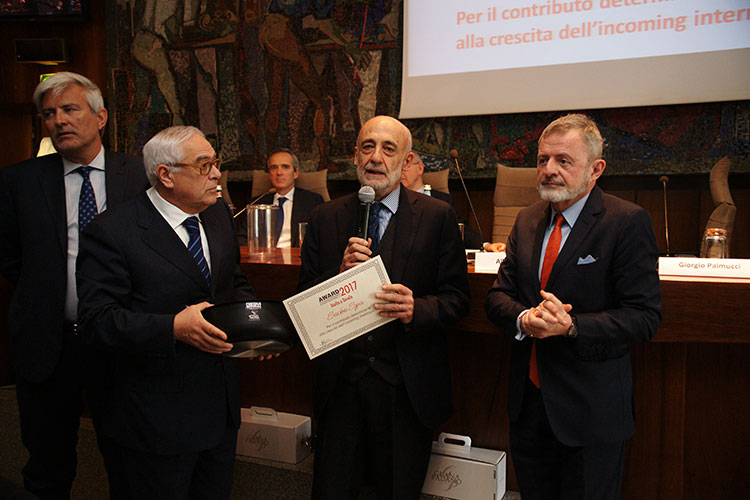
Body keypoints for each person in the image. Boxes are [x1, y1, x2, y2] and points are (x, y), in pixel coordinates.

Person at [484, 114, 661, 500]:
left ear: (596, 169)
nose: (549, 170)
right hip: (529, 408)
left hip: (590, 414)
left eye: (563, 161)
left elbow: (645, 318)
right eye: (543, 159)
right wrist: (523, 318)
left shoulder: (626, 222)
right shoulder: (528, 219)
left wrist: (573, 326)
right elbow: (498, 297)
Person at [76, 126, 259, 498]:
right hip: (154, 416)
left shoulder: (218, 215)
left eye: (215, 162)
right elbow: (97, 321)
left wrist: (257, 325)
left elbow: (231, 283)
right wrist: (172, 328)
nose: (215, 174)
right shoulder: (112, 231)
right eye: (203, 164)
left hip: (218, 409)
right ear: (166, 175)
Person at [299, 115, 470, 499]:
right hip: (342, 385)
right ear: (355, 156)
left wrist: (417, 309)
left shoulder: (437, 216)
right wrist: (337, 274)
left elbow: (458, 300)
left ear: (407, 161)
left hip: (405, 388)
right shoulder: (326, 218)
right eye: (367, 146)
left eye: (388, 149)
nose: (376, 157)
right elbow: (303, 299)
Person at [0, 71, 148, 498]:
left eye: (69, 109)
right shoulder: (19, 181)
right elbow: (9, 255)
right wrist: (47, 291)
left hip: (120, 343)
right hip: (49, 342)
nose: (58, 120)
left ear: (100, 117)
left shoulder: (139, 176)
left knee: (126, 458)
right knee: (47, 463)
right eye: (49, 114)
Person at [400, 151, 505, 252]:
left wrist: (486, 245)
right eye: (397, 167)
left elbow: (461, 231)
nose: (400, 172)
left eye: (405, 166)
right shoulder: (391, 201)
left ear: (420, 168)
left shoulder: (442, 200)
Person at [256, 148, 324, 247]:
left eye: (285, 167)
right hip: (264, 258)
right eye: (274, 167)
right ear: (269, 174)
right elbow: (243, 238)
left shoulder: (313, 201)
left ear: (296, 173)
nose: (279, 172)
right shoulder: (256, 203)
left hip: (297, 258)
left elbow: (321, 237)